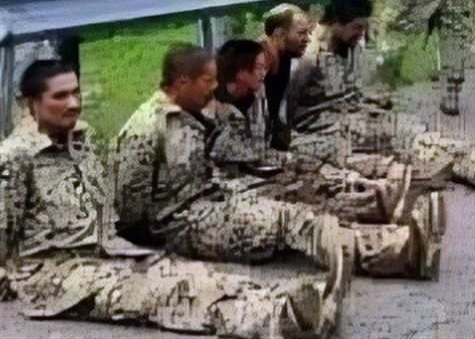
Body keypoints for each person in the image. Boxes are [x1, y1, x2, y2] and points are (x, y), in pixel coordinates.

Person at [0, 60, 344, 338]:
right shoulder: (16, 158)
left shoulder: (83, 139)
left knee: (191, 273)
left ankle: (280, 299)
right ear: (31, 104)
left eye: (76, 93)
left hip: (105, 252)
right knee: (161, 294)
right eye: (59, 97)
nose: (73, 103)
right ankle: (275, 320)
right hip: (54, 276)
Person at [112, 43, 443, 280]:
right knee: (288, 222)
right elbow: (131, 210)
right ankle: (398, 252)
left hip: (208, 205)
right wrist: (162, 242)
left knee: (295, 212)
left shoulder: (187, 116)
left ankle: (391, 235)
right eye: (207, 81)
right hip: (181, 225)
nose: (213, 88)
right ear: (182, 81)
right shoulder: (146, 128)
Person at [289, 0, 475, 190]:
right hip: (328, 128)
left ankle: (465, 158)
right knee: (395, 134)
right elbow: (291, 109)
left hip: (349, 117)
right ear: (337, 23)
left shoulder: (345, 44)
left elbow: (349, 91)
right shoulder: (310, 57)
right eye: (356, 27)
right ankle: (463, 163)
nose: (360, 34)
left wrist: (372, 103)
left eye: (363, 28)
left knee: (406, 125)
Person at [209, 38, 428, 226]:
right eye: (258, 68)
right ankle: (373, 203)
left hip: (259, 163)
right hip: (229, 184)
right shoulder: (216, 110)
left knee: (309, 166)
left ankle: (372, 192)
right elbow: (243, 157)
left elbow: (264, 146)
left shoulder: (256, 95)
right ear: (240, 72)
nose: (264, 73)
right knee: (295, 191)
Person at [260, 4, 312, 150]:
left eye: (307, 33)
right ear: (280, 34)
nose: (307, 39)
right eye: (301, 33)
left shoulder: (284, 57)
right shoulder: (261, 59)